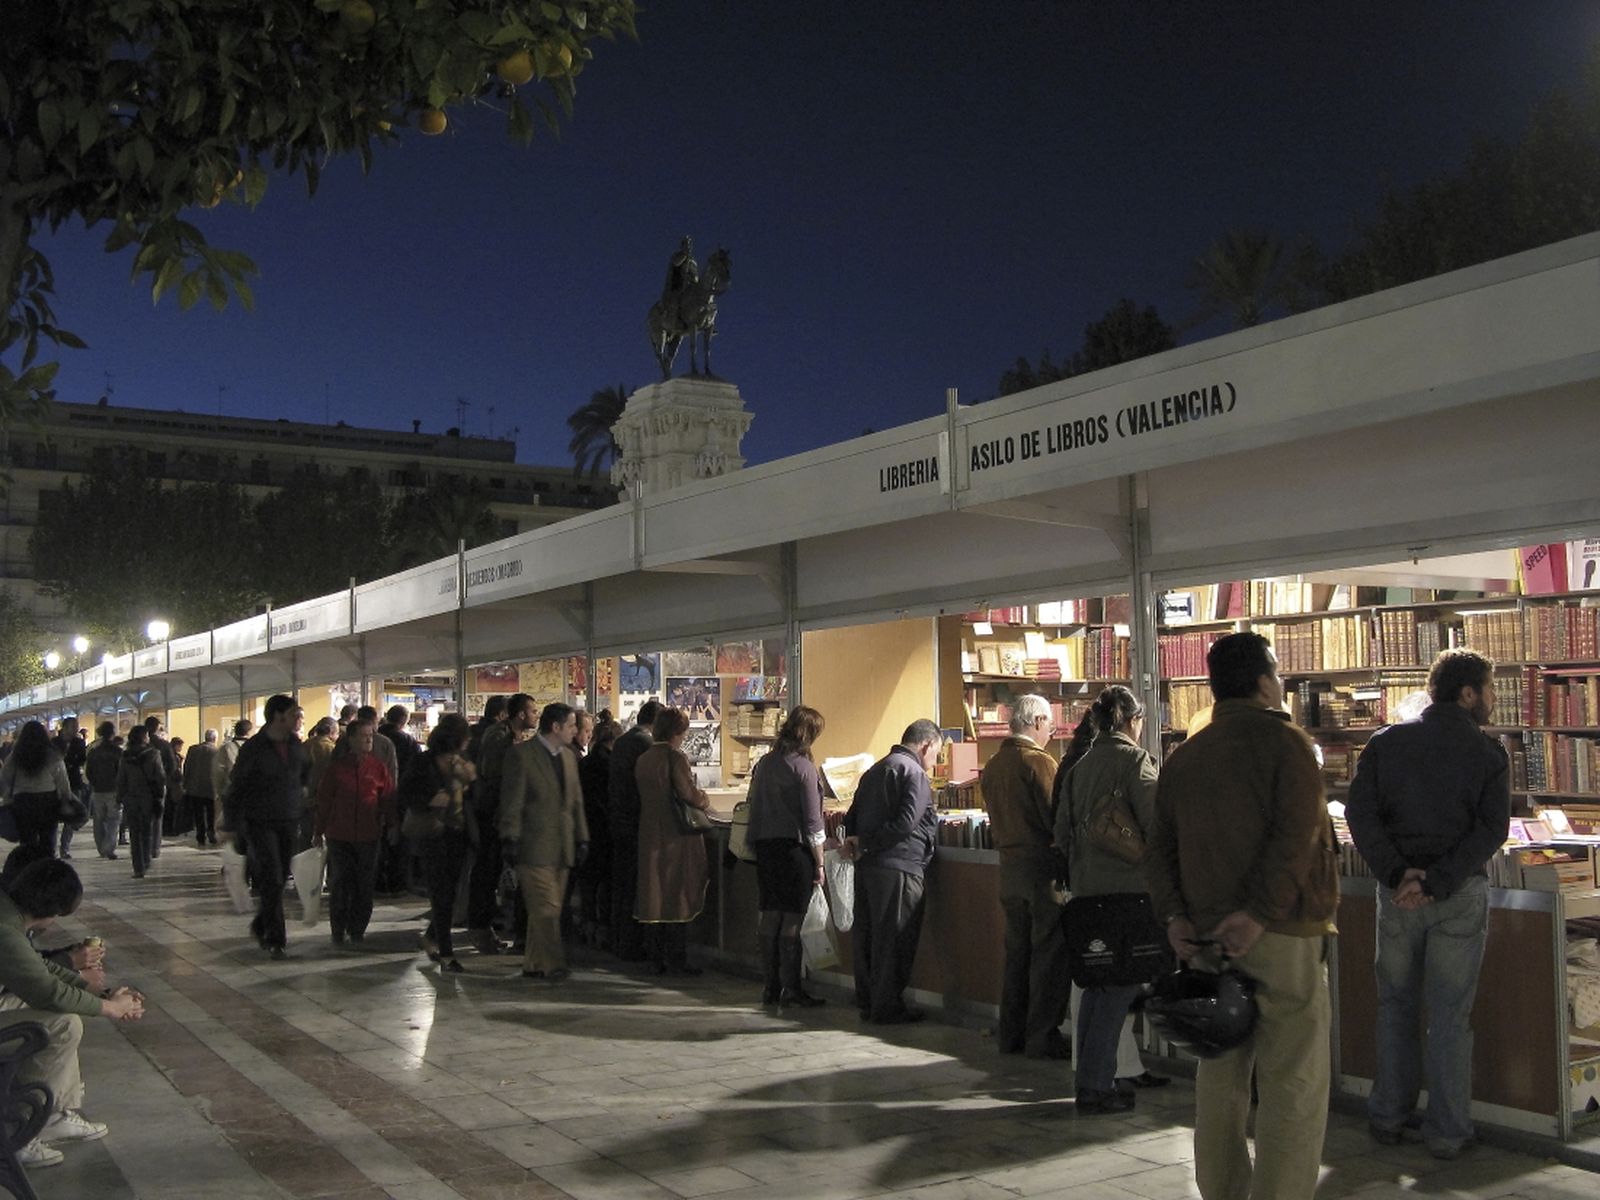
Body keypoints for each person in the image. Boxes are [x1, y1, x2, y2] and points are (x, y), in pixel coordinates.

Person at [1146, 632, 1337, 1200]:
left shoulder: (1188, 754)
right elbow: (1297, 838)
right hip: (1282, 935)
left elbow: (1159, 848)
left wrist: (1176, 916)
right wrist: (1257, 913)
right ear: (1262, 681)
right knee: (1292, 1082)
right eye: (1277, 674)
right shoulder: (1287, 745)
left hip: (1205, 937)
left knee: (1220, 1080)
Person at [1345, 648, 1510, 1159]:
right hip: (1457, 895)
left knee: (1394, 1006)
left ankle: (1388, 1117)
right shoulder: (1487, 753)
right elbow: (1491, 829)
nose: (1493, 699)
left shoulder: (1385, 743)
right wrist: (1437, 880)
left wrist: (1399, 874)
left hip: (1397, 898)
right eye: (1489, 688)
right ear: (1467, 694)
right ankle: (1447, 1131)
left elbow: (1360, 815)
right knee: (1450, 1016)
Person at [1054, 685, 1160, 1113]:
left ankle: (1089, 1081)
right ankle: (1098, 1086)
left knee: (1097, 990)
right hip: (1129, 893)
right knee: (1118, 991)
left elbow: (1060, 834)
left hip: (1087, 893)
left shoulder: (1079, 766)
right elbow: (1156, 825)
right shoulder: (1136, 761)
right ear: (1133, 720)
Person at [0, 858, 143, 1170]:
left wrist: (98, 993)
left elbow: (38, 968)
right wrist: (111, 1008)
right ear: (52, 912)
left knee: (58, 1015)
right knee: (62, 1024)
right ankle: (21, 1132)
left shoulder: (7, 914)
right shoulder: (4, 929)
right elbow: (46, 991)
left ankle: (54, 1114)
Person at [981, 692, 1069, 1059]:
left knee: (1016, 954)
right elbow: (1056, 818)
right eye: (1049, 723)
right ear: (1036, 723)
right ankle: (1043, 1035)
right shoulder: (1039, 763)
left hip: (1009, 869)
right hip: (1040, 871)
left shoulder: (995, 764)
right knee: (1048, 955)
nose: (1051, 730)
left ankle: (1011, 1033)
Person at [841, 719, 942, 1024]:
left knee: (869, 937)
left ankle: (869, 1001)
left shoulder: (875, 770)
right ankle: (887, 1006)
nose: (934, 762)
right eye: (936, 754)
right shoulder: (914, 773)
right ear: (925, 745)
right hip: (900, 866)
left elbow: (851, 817)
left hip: (869, 866)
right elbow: (907, 822)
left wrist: (860, 843)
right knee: (895, 940)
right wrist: (873, 843)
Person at [747, 705, 828, 1008]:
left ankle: (770, 986)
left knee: (769, 915)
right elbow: (812, 822)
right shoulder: (803, 768)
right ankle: (792, 988)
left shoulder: (766, 763)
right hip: (794, 851)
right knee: (792, 920)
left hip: (766, 848)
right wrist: (819, 862)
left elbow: (753, 805)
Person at [500, 703, 588, 981]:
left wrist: (582, 837)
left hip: (563, 846)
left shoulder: (569, 758)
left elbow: (575, 803)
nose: (576, 731)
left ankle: (534, 963)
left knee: (548, 909)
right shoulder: (522, 756)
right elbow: (512, 800)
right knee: (546, 909)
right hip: (532, 844)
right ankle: (553, 964)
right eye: (573, 725)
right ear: (556, 727)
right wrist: (510, 837)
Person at [227, 695, 309, 959]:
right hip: (259, 821)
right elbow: (237, 785)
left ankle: (261, 923)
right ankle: (276, 938)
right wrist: (231, 823)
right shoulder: (255, 747)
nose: (298, 719)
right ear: (278, 716)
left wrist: (302, 799)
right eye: (294, 714)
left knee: (281, 876)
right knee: (271, 876)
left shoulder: (296, 745)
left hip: (288, 818)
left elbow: (305, 774)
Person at [632, 706, 709, 976]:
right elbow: (687, 793)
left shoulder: (644, 759)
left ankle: (655, 956)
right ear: (678, 732)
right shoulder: (675, 758)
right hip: (676, 836)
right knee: (678, 893)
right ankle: (677, 957)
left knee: (653, 894)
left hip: (650, 831)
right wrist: (704, 799)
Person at [402, 714, 477, 972]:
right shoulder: (424, 761)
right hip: (433, 833)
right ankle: (446, 953)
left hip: (457, 832)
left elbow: (472, 794)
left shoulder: (462, 763)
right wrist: (431, 799)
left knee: (451, 893)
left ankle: (432, 936)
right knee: (441, 892)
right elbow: (406, 792)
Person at [314, 717, 394, 947]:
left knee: (364, 884)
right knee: (340, 883)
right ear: (350, 739)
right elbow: (325, 801)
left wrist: (391, 825)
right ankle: (338, 930)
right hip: (339, 835)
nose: (369, 739)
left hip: (369, 836)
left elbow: (387, 798)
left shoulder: (378, 767)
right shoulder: (336, 769)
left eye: (371, 735)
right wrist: (318, 831)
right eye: (363, 736)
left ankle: (357, 929)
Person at [464, 693, 532, 955]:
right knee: (488, 870)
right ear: (518, 714)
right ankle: (479, 928)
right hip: (492, 814)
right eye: (532, 710)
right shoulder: (499, 738)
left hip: (495, 813)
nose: (535, 715)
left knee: (490, 872)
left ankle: (483, 928)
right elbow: (496, 777)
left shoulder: (503, 736)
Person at [608, 699, 660, 962]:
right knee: (635, 886)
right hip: (636, 823)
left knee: (623, 886)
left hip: (619, 821)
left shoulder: (623, 741)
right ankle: (632, 942)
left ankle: (620, 940)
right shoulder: (646, 745)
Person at [575, 718, 621, 949]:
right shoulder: (612, 765)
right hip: (605, 830)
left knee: (588, 883)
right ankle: (603, 929)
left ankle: (587, 925)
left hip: (586, 828)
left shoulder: (584, 763)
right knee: (606, 883)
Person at [0, 720, 72, 854]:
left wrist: (6, 797)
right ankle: (47, 867)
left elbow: (5, 779)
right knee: (48, 840)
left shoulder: (15, 756)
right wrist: (66, 799)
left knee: (27, 841)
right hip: (47, 801)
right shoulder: (52, 755)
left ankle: (30, 867)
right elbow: (62, 780)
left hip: (23, 801)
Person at [115, 726, 166, 879]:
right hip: (148, 798)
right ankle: (146, 860)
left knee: (134, 834)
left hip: (131, 799)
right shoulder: (154, 754)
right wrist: (160, 794)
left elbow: (121, 779)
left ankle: (138, 867)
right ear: (145, 737)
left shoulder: (125, 756)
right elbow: (160, 776)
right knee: (147, 831)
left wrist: (119, 797)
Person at [84, 722, 123, 860]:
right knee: (113, 820)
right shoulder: (118, 752)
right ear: (112, 733)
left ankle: (101, 848)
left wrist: (94, 783)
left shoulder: (94, 752)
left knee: (99, 820)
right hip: (113, 790)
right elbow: (121, 772)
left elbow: (88, 772)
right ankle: (109, 848)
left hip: (98, 790)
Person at [300, 717, 338, 851]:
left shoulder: (304, 745)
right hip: (322, 800)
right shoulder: (332, 749)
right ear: (332, 732)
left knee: (305, 838)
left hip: (303, 799)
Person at [53, 718, 88, 860]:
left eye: (77, 726)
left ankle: (64, 848)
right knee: (53, 816)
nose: (76, 729)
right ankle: (52, 847)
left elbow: (82, 759)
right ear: (65, 727)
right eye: (73, 726)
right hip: (55, 785)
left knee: (71, 817)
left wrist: (71, 764)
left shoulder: (79, 743)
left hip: (73, 782)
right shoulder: (54, 742)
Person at [212, 717, 253, 836]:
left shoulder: (226, 748)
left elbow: (218, 772)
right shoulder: (255, 747)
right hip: (252, 793)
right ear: (249, 732)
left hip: (232, 791)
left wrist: (220, 792)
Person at [183, 729, 220, 847]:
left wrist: (185, 783)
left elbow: (186, 767)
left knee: (198, 813)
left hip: (195, 787)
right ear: (215, 738)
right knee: (211, 812)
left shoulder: (193, 749)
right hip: (210, 787)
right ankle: (211, 832)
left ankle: (200, 835)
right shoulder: (217, 751)